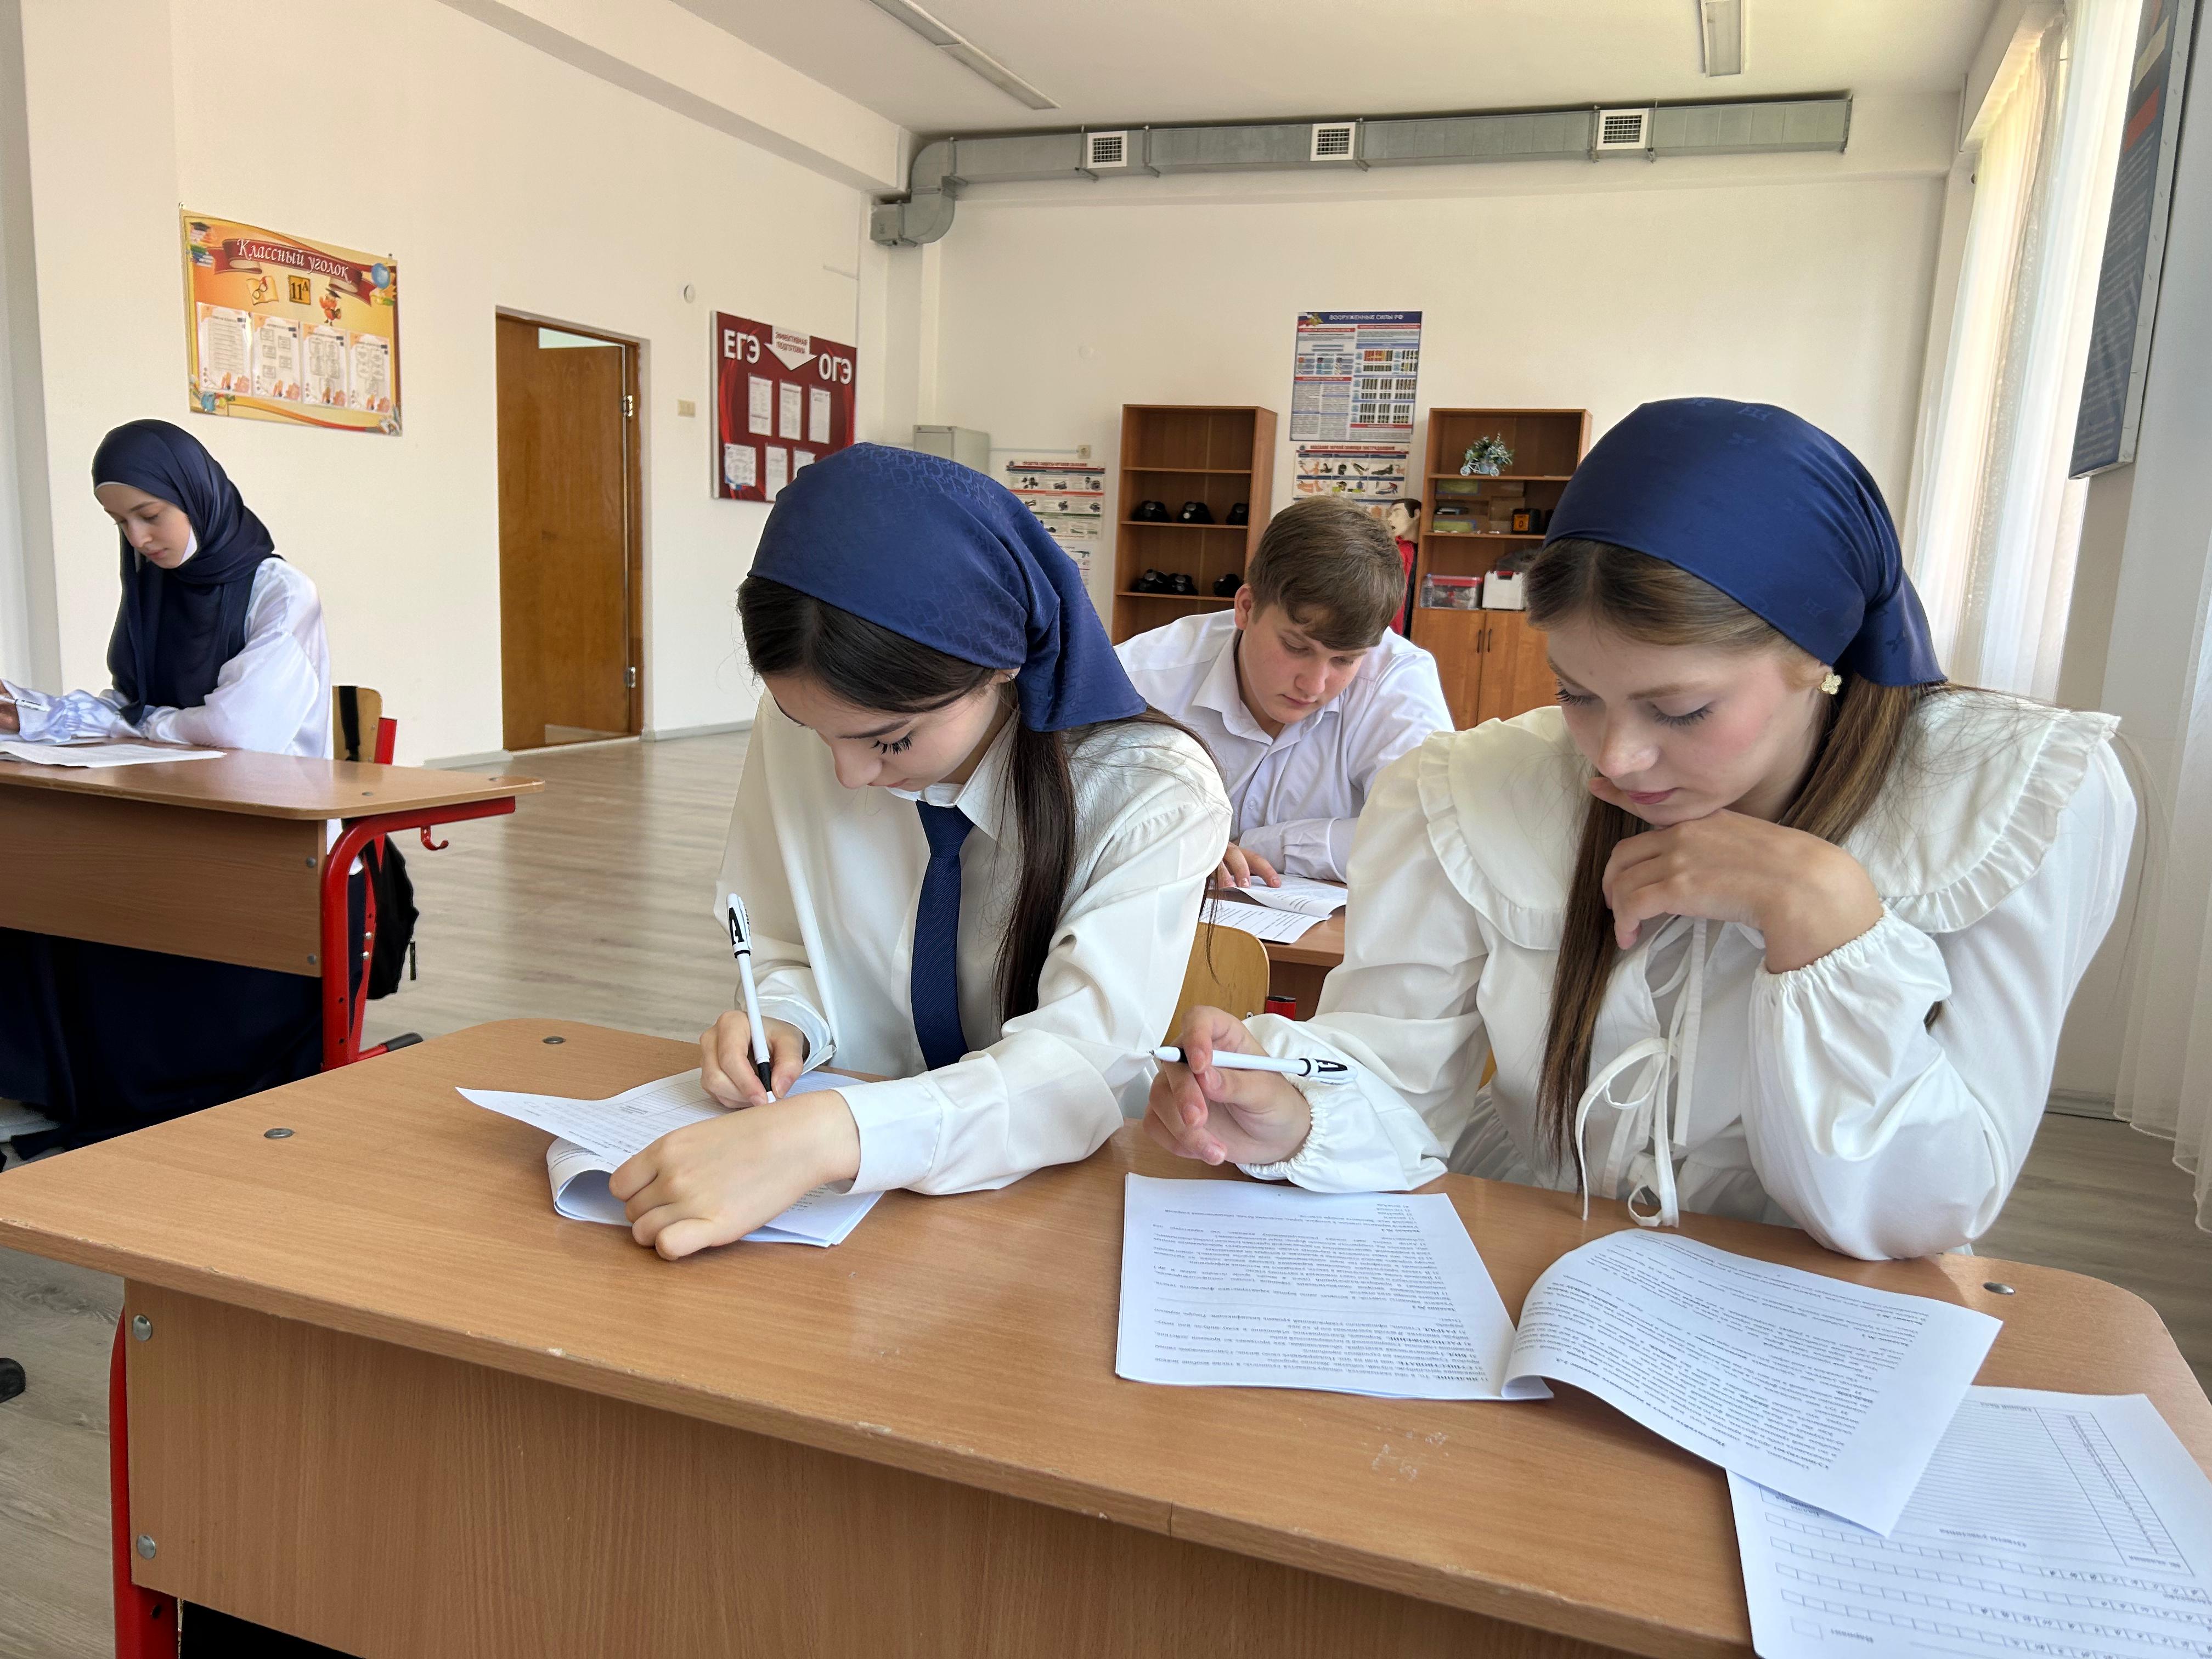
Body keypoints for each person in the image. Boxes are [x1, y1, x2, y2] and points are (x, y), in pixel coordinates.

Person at [1145, 398, 2133, 1262]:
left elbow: (1916, 1214)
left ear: (1817, 655)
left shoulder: (1998, 801)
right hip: (1532, 1274)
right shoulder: (1478, 789)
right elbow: (1397, 1075)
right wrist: (1290, 1108)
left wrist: (1822, 919)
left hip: (1817, 1333)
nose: (1614, 758)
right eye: (1575, 693)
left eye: (1681, 709)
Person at [609, 444, 1230, 1260]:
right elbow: (786, 941)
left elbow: (1081, 1068)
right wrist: (786, 1019)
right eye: (810, 729)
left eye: (890, 741)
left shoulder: (1150, 792)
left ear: (999, 665)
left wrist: (828, 1136)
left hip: (1038, 1210)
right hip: (833, 1202)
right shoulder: (826, 718)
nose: (848, 774)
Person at [0, 420, 332, 1152]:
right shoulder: (152, 589)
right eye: (120, 523)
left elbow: (238, 730)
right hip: (171, 812)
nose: (138, 538)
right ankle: (59, 1085)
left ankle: (166, 1094)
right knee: (40, 882)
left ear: (195, 494)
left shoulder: (281, 591)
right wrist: (34, 713)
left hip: (271, 837)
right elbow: (128, 707)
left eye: (149, 515)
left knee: (123, 900)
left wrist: (148, 722)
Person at [1115, 495, 1451, 888]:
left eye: (1344, 660)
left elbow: (1431, 833)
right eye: (1295, 647)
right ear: (1246, 607)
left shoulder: (1394, 678)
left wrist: (1262, 846)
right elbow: (1075, 819)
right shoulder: (1138, 678)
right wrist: (1175, 843)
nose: (1314, 685)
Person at [1384, 496, 1421, 635]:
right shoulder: (1394, 550)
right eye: (1390, 514)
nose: (1390, 519)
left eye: (1397, 514)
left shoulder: (1418, 551)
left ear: (1416, 515)